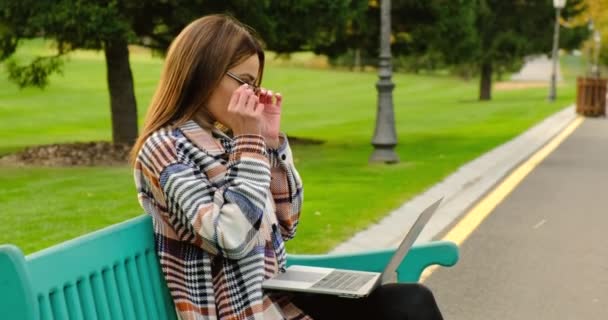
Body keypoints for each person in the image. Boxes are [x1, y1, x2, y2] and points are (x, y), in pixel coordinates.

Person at [131, 14, 444, 320]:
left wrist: (268, 143)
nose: (252, 94)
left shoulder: (228, 143)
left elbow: (287, 222)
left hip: (279, 303)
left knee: (411, 300)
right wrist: (250, 142)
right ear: (204, 73)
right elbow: (230, 238)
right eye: (245, 82)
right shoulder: (166, 149)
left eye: (255, 85)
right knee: (408, 307)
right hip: (244, 312)